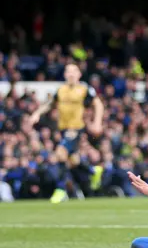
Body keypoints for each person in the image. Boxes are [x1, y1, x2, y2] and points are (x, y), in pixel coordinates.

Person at [29, 63, 104, 203]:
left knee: (60, 153)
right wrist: (36, 113)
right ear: (64, 74)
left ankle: (61, 190)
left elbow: (98, 104)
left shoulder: (84, 89)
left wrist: (97, 123)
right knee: (72, 160)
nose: (70, 74)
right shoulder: (60, 90)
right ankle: (93, 171)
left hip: (76, 128)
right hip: (63, 129)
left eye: (73, 71)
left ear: (79, 74)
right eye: (68, 71)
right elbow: (49, 103)